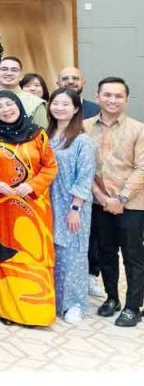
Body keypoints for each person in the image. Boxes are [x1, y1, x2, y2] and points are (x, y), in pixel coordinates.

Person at [0, 92, 58, 326]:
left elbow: (50, 167)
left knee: (33, 254)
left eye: (9, 104)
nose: (6, 109)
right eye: (0, 106)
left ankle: (36, 313)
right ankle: (6, 310)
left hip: (34, 206)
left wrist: (32, 185)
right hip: (0, 207)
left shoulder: (37, 134)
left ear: (19, 106)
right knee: (3, 255)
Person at [85, 77, 144, 327]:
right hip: (99, 203)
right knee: (106, 252)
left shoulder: (139, 129)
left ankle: (133, 306)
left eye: (118, 96)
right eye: (107, 95)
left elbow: (142, 168)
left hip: (132, 204)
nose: (112, 100)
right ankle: (112, 298)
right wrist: (101, 197)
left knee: (133, 255)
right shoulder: (85, 127)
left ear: (126, 99)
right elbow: (83, 168)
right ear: (97, 96)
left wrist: (120, 198)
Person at [46, 88, 96, 324]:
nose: (59, 108)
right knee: (53, 252)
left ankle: (74, 304)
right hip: (47, 201)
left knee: (73, 253)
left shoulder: (82, 140)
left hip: (72, 203)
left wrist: (75, 208)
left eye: (66, 104)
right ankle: (54, 300)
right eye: (55, 103)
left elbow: (85, 176)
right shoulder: (45, 135)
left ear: (76, 109)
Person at [0, 56, 48, 127]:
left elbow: (42, 131)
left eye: (14, 70)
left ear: (21, 76)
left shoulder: (35, 102)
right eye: (4, 69)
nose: (9, 73)